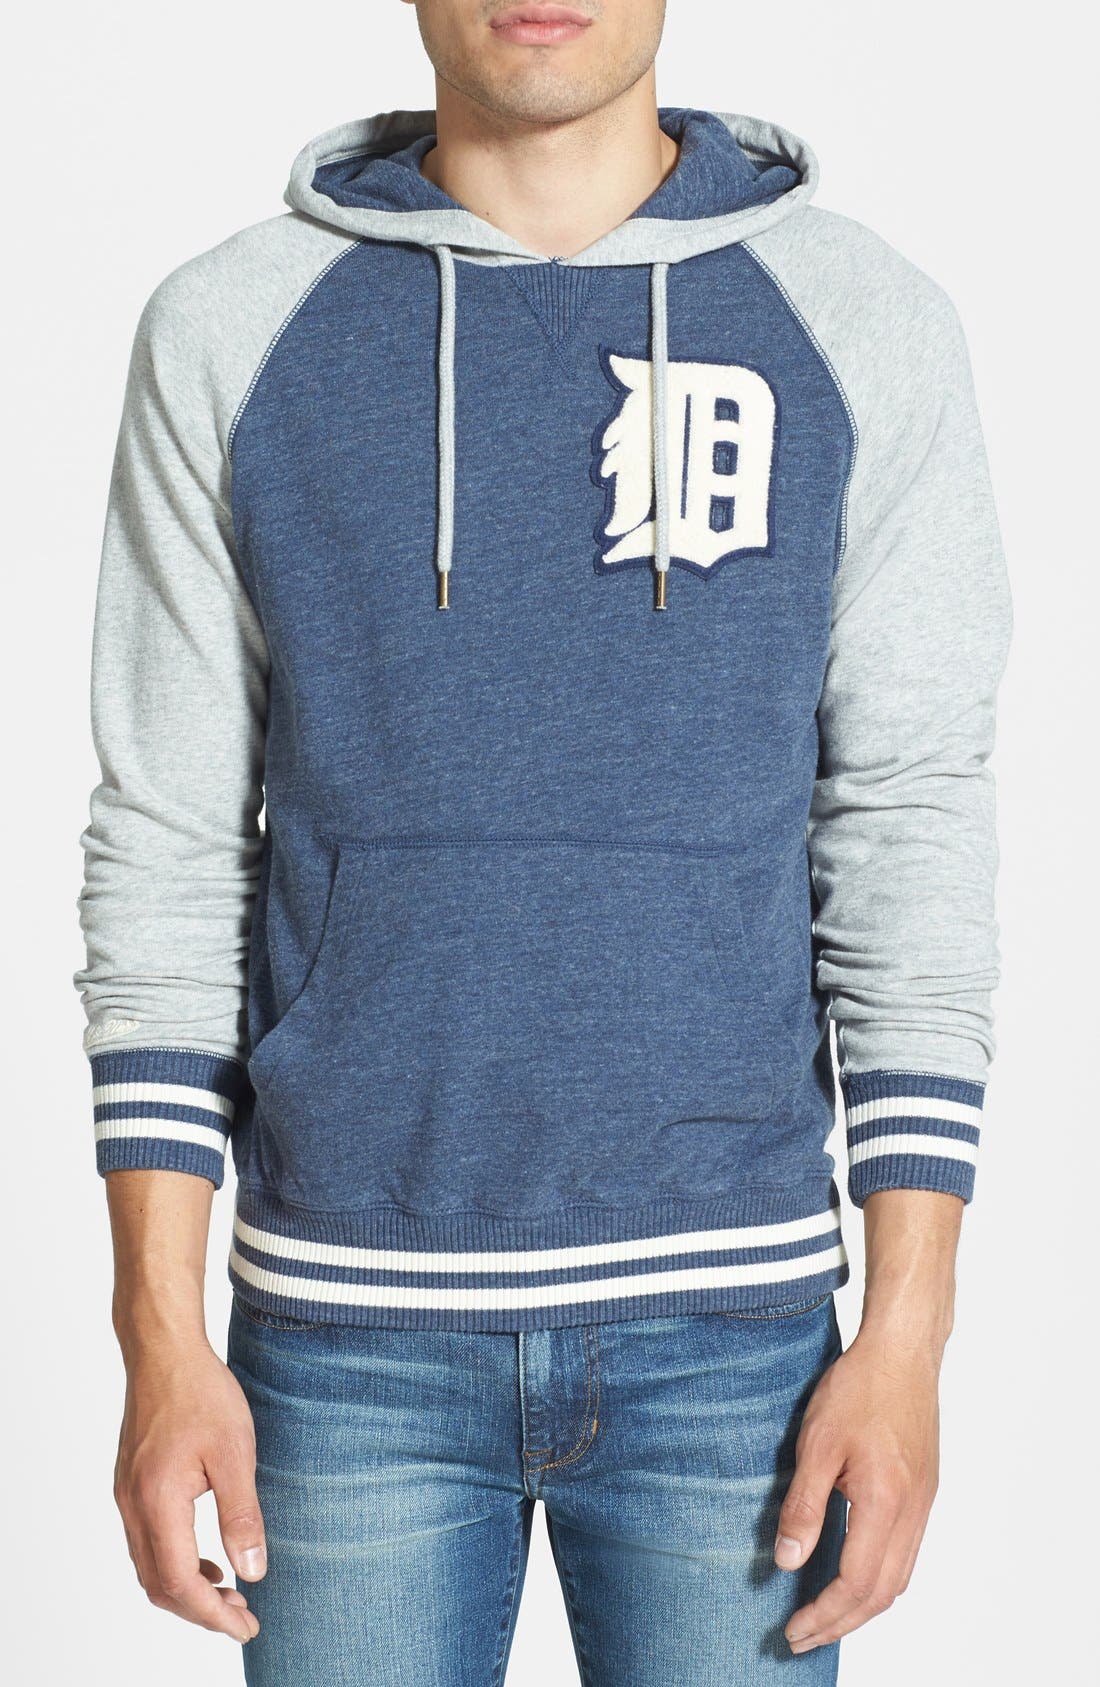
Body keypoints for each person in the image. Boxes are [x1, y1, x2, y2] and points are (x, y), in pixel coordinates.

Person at [72, 2, 1012, 1681]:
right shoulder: (233, 326)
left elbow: (908, 824)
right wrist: (157, 1336)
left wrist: (909, 1338)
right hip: (343, 1342)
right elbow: (168, 835)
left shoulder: (861, 323)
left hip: (738, 1346)